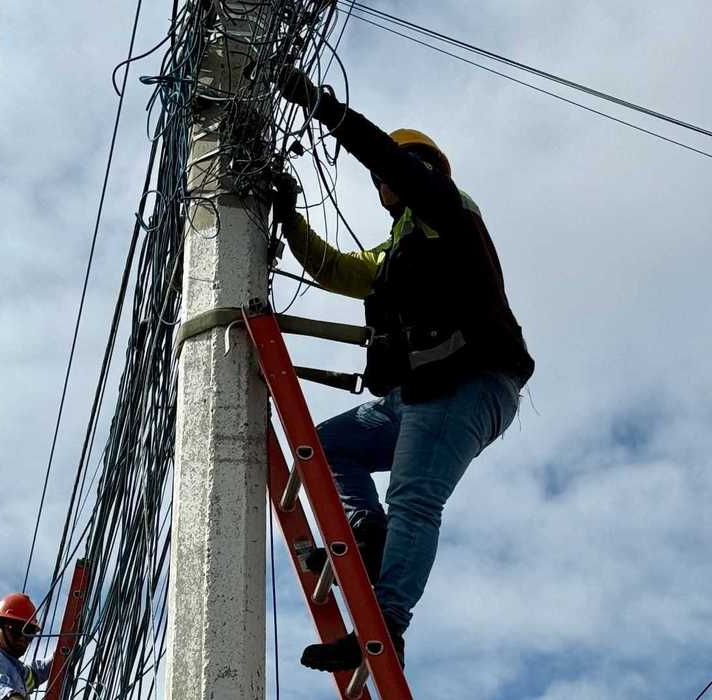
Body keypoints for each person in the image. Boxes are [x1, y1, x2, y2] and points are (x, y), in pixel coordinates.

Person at [270, 65, 535, 673]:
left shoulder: (448, 213)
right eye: (384, 171)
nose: (387, 175)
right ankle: (368, 535)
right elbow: (336, 270)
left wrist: (324, 109)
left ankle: (386, 627)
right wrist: (288, 217)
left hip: (468, 384)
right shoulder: (395, 250)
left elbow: (390, 160)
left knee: (414, 497)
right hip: (416, 395)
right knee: (327, 446)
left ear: (427, 172)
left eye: (401, 165)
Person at [0, 593, 53, 700]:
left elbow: (34, 676)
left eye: (29, 631)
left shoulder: (16, 669)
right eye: (16, 630)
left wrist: (62, 655)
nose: (23, 637)